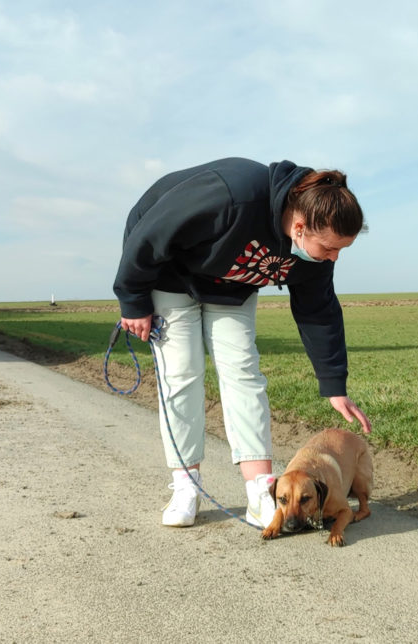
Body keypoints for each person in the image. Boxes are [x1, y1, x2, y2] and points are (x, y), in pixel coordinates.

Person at [113, 157, 371, 529]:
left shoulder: (314, 256)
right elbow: (151, 232)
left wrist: (334, 385)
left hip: (232, 284)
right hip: (168, 271)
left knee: (244, 373)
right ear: (299, 227)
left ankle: (259, 492)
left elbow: (319, 311)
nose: (333, 257)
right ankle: (186, 486)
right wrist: (133, 299)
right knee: (182, 373)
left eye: (340, 251)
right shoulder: (232, 195)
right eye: (329, 248)